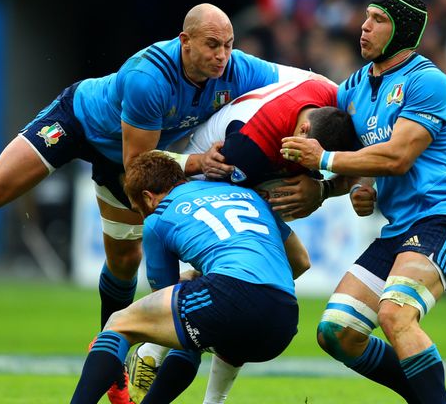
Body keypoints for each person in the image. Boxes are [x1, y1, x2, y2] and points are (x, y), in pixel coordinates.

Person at [0, 3, 302, 403]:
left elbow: (299, 82)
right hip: (82, 125)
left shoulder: (236, 68)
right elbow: (139, 168)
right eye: (213, 45)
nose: (223, 56)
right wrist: (197, 166)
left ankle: (111, 362)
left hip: (130, 162)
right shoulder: (149, 76)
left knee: (125, 261)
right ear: (185, 41)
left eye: (229, 45)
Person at [280, 0, 446, 404]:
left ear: (401, 29)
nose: (363, 26)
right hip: (398, 230)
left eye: (377, 19)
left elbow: (398, 156)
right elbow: (356, 166)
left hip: (442, 219)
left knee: (395, 313)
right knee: (338, 333)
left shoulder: (428, 81)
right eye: (364, 16)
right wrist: (337, 187)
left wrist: (328, 159)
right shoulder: (351, 89)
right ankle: (433, 397)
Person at [126, 72, 358, 403]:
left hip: (260, 169)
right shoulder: (248, 149)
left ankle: (169, 357)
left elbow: (357, 170)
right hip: (219, 165)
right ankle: (154, 348)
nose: (310, 166)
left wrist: (322, 186)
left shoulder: (338, 106)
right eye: (310, 160)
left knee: (293, 264)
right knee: (229, 280)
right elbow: (224, 185)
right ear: (304, 131)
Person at [71, 151, 308, 404]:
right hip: (284, 318)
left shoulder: (158, 216)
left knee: (118, 323)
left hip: (230, 295)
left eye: (138, 209)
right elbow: (301, 261)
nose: (142, 215)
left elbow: (163, 302)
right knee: (194, 326)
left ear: (147, 197)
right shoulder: (248, 195)